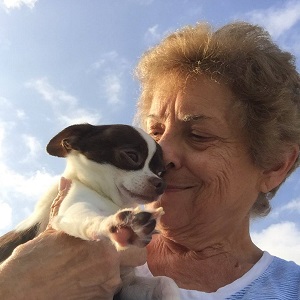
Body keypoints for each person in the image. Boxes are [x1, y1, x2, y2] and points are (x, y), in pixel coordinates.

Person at [1, 21, 300, 299]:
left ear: (275, 164)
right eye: (155, 131)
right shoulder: (37, 249)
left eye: (198, 134)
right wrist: (15, 287)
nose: (161, 154)